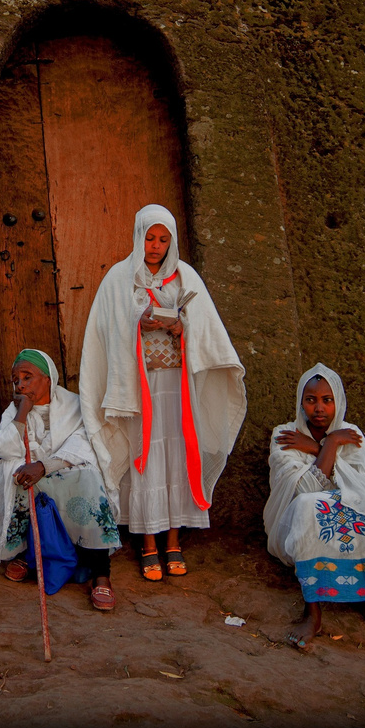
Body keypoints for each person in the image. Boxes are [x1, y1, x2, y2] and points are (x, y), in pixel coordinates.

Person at [79, 204, 246, 581]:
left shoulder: (185, 277)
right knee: (147, 455)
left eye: (163, 239)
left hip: (177, 386)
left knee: (177, 453)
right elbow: (105, 331)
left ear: (172, 241)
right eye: (150, 238)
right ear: (139, 236)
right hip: (140, 387)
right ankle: (148, 543)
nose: (155, 246)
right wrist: (137, 323)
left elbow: (206, 329)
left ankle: (174, 540)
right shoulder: (119, 279)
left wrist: (182, 328)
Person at [266, 364, 365, 644]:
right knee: (310, 505)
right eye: (311, 400)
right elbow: (306, 489)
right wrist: (330, 445)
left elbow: (363, 484)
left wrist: (319, 445)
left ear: (338, 401)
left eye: (327, 400)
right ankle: (313, 611)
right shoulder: (284, 433)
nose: (319, 408)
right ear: (301, 402)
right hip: (294, 521)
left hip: (345, 517)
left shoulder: (350, 433)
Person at [0, 349, 120, 609]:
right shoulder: (14, 410)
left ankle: (100, 573)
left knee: (87, 477)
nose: (21, 384)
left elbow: (85, 443)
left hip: (66, 474)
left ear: (48, 378)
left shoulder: (74, 404)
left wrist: (44, 465)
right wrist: (22, 414)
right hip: (37, 478)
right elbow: (1, 449)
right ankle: (30, 554)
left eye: (28, 377)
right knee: (12, 471)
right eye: (16, 380)